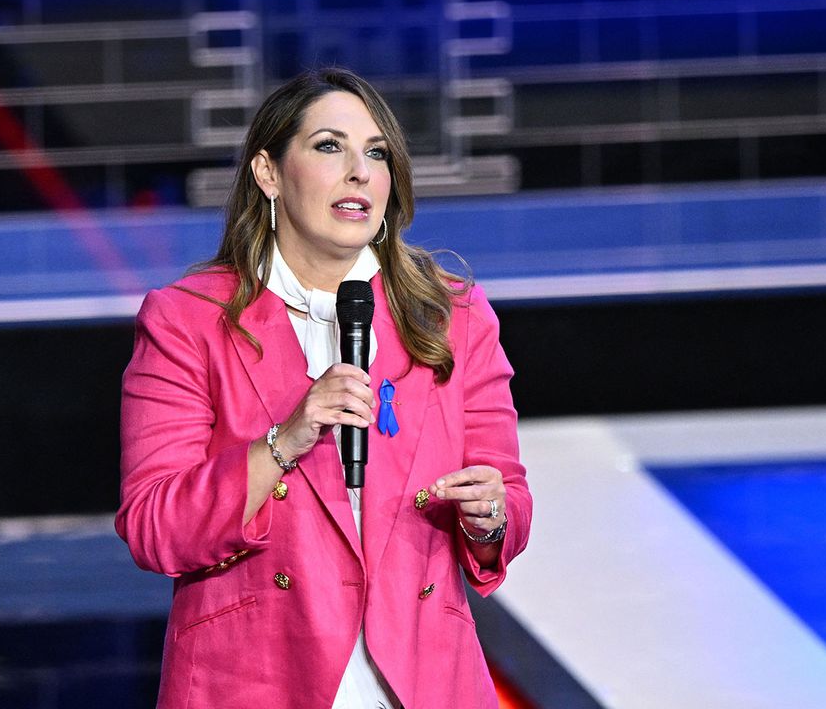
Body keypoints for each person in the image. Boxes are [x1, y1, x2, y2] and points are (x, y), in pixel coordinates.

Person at [116, 67, 531, 708]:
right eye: (330, 146)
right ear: (269, 173)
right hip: (255, 681)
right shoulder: (187, 320)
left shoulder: (455, 315)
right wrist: (282, 442)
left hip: (423, 680)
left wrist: (490, 513)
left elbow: (509, 500)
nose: (360, 172)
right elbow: (154, 526)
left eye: (377, 153)